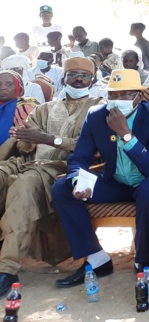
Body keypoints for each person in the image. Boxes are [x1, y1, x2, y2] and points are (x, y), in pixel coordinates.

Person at [52, 69, 149, 287]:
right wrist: (77, 181)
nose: (118, 100)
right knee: (61, 188)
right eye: (113, 95)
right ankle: (96, 259)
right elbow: (79, 157)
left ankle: (142, 261)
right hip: (117, 182)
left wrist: (126, 134)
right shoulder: (96, 116)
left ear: (139, 97)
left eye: (126, 95)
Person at [0, 58, 103, 295]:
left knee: (24, 184)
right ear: (64, 78)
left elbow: (94, 148)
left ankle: (6, 269)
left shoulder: (99, 107)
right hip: (27, 162)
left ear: (92, 79)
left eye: (84, 75)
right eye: (73, 74)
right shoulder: (43, 108)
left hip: (64, 167)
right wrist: (24, 137)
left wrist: (49, 139)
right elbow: (26, 146)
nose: (78, 78)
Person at [0, 71, 40, 146]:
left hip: (14, 153)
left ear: (18, 87)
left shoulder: (26, 106)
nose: (2, 88)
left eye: (8, 84)